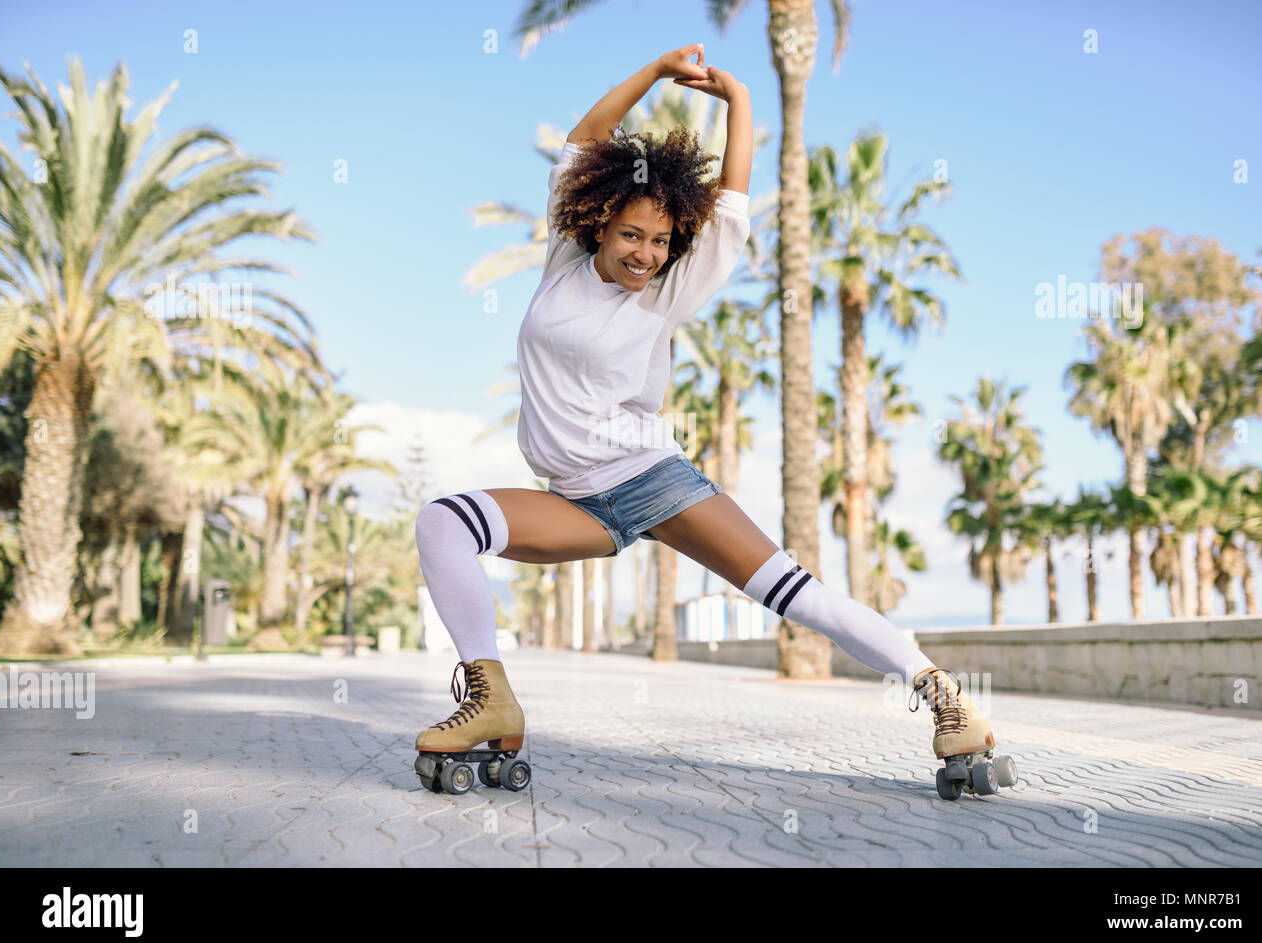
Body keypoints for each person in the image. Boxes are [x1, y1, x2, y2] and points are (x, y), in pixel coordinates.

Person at [414, 45, 1003, 794]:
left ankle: (948, 700)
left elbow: (731, 199)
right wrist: (655, 75)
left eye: (660, 242)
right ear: (598, 224)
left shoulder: (665, 292)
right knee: (443, 522)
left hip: (652, 481)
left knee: (793, 593)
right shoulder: (563, 257)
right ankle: (489, 697)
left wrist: (740, 100)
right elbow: (589, 138)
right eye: (632, 236)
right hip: (575, 500)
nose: (646, 254)